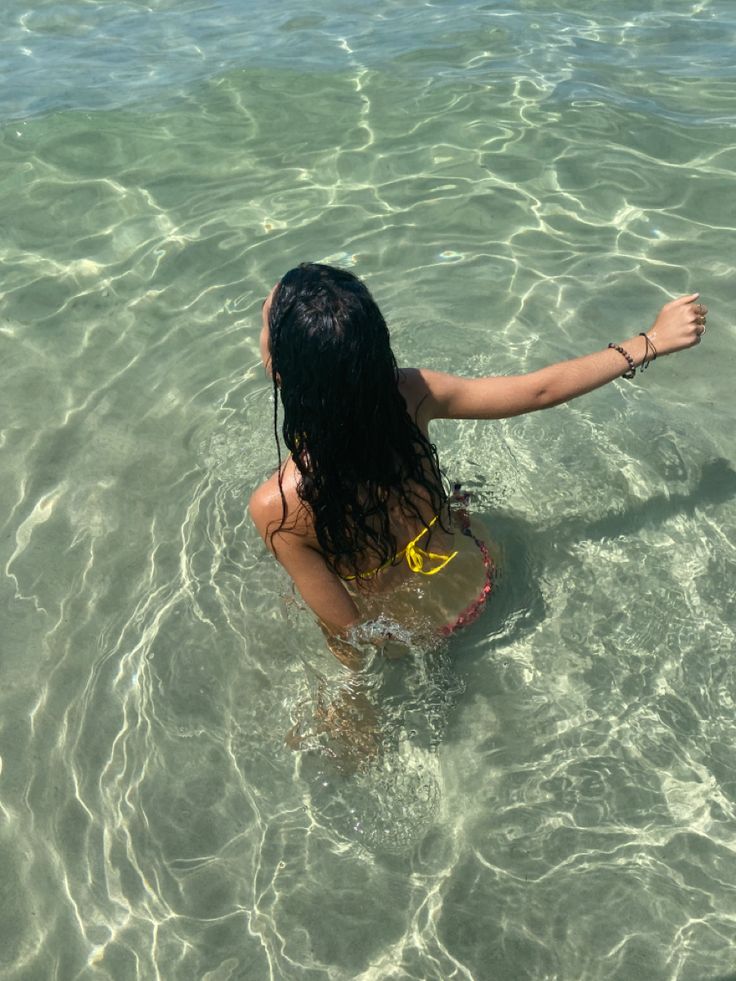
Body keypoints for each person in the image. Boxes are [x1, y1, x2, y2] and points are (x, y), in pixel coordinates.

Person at [249, 262, 707, 661]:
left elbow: (349, 635)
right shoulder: (409, 394)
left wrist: (353, 709)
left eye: (264, 326)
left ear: (281, 371)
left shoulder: (279, 506)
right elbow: (538, 390)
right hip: (481, 572)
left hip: (418, 637)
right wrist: (652, 340)